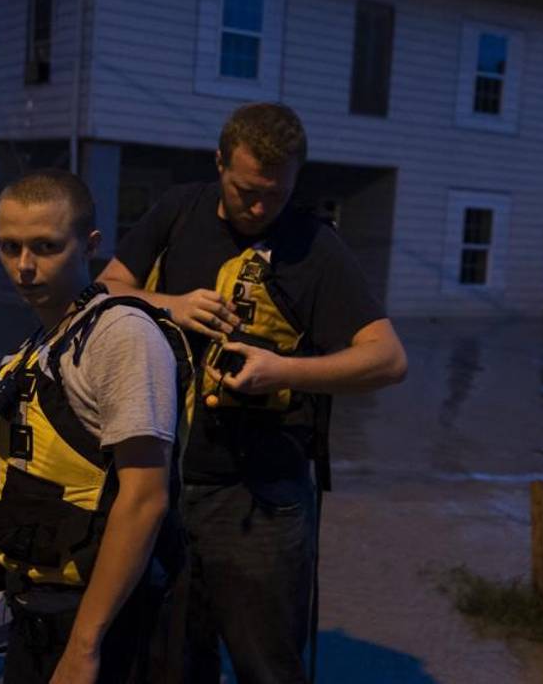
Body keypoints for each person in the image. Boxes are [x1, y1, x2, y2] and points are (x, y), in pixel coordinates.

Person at [97, 102, 408, 684]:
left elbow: (389, 359)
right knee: (169, 662)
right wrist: (170, 306)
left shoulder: (316, 247)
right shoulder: (177, 211)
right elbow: (105, 288)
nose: (261, 208)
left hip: (262, 499)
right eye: (246, 191)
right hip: (161, 484)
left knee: (267, 667)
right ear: (219, 163)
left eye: (276, 194)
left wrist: (281, 371)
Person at [0, 170, 195, 684]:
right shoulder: (30, 352)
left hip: (107, 625)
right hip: (35, 614)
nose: (24, 266)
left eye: (45, 247)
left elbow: (145, 498)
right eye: (10, 247)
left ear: (90, 245)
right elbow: (20, 492)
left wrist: (85, 646)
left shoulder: (122, 337)